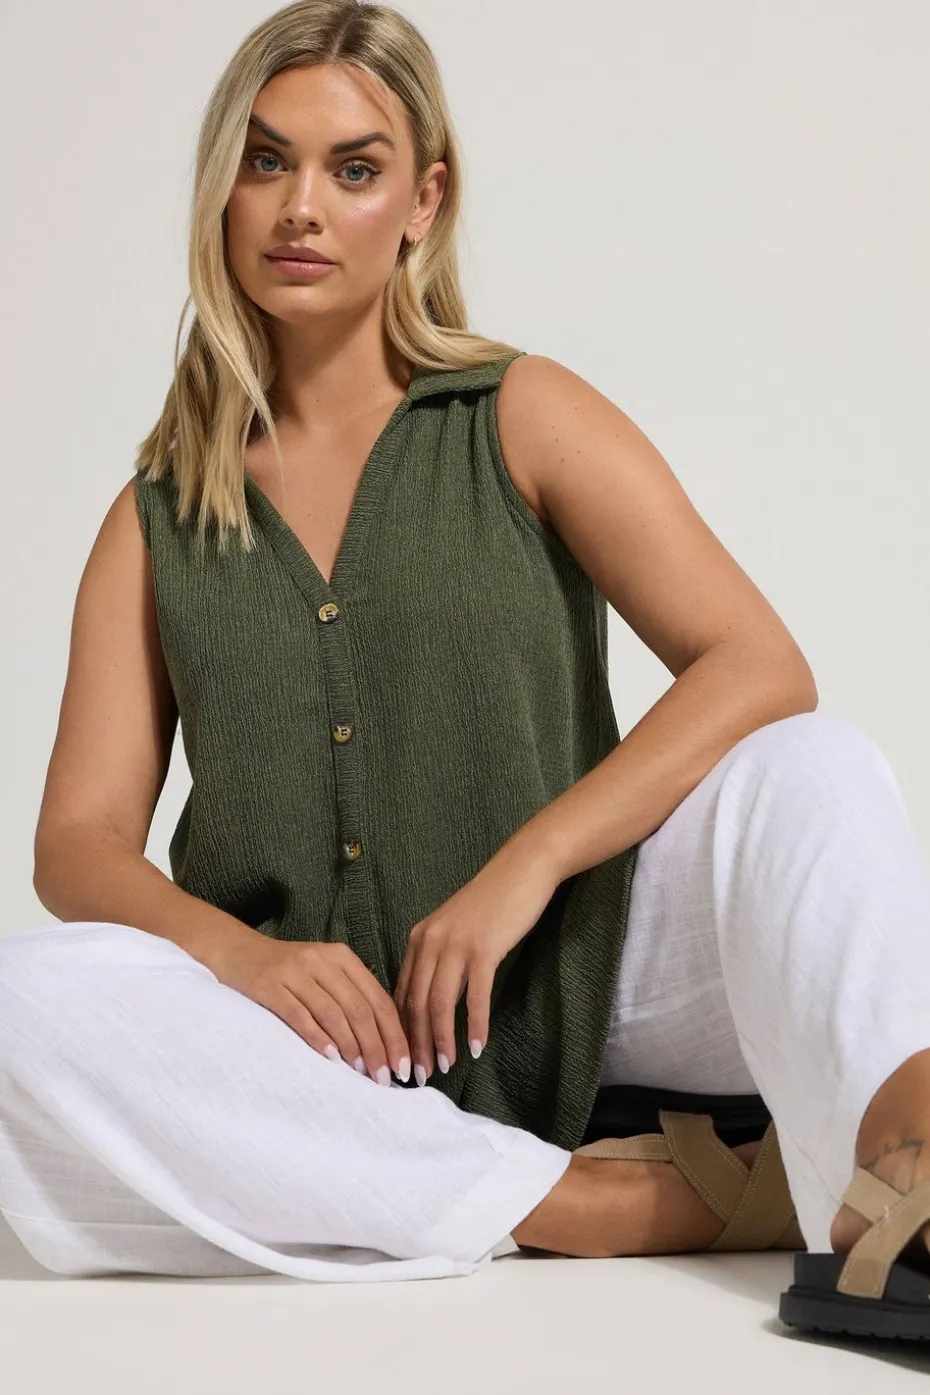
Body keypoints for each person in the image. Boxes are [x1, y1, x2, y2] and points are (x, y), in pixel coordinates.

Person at [3, 0, 930, 1339]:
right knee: (22, 1005)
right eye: (265, 162)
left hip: (584, 971)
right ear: (222, 192)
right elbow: (78, 843)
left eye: (353, 168)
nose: (301, 208)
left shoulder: (521, 413)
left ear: (423, 202)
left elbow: (756, 663)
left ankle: (904, 1178)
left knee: (815, 767)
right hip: (304, 1051)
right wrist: (244, 963)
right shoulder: (159, 517)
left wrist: (525, 869)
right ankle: (581, 1199)